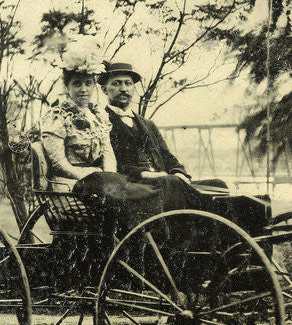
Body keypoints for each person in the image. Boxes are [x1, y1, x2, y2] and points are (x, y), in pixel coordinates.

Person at [40, 64, 162, 230]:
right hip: (69, 186)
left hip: (100, 183)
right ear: (67, 86)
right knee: (127, 202)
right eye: (77, 84)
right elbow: (59, 164)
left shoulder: (98, 116)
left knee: (143, 195)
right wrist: (92, 177)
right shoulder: (56, 117)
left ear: (93, 86)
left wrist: (109, 177)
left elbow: (108, 153)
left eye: (88, 84)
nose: (84, 90)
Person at [98, 61, 227, 212]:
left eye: (128, 83)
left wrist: (179, 172)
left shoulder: (147, 124)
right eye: (116, 84)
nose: (123, 89)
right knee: (172, 183)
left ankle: (216, 233)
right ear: (104, 90)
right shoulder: (101, 121)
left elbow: (168, 157)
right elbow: (112, 166)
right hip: (135, 186)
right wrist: (148, 174)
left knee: (218, 185)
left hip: (165, 181)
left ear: (134, 88)